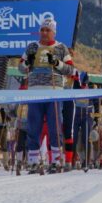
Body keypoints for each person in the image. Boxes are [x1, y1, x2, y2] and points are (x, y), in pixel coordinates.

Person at [18, 18, 75, 173]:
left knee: (55, 127)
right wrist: (27, 63)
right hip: (35, 92)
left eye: (47, 30)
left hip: (54, 91)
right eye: (42, 29)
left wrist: (56, 63)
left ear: (53, 32)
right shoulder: (32, 47)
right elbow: (20, 68)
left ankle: (56, 161)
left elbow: (72, 70)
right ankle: (33, 161)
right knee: (33, 127)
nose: (44, 33)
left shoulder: (61, 47)